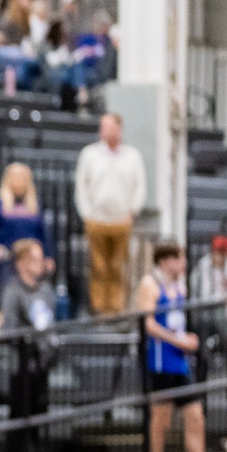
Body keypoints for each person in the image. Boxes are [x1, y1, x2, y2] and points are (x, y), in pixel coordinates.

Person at [138, 243, 205, 452]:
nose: (184, 263)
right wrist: (177, 340)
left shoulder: (180, 286)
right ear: (165, 261)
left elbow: (177, 324)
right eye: (179, 259)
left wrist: (187, 338)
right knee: (161, 421)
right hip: (160, 363)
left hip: (179, 362)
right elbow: (147, 324)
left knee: (195, 416)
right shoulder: (151, 285)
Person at [74, 112, 146, 315]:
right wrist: (86, 213)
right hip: (96, 220)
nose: (104, 131)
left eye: (109, 127)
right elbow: (81, 185)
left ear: (119, 129)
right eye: (103, 126)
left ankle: (116, 309)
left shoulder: (132, 156)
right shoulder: (89, 154)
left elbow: (139, 186)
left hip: (121, 221)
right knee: (98, 266)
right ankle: (99, 309)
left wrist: (132, 211)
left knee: (118, 265)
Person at [0, 238, 55, 452]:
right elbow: (8, 328)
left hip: (42, 363)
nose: (39, 264)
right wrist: (26, 340)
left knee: (41, 413)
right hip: (21, 365)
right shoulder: (13, 291)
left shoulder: (45, 290)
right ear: (20, 263)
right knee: (20, 416)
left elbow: (49, 324)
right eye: (33, 259)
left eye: (40, 259)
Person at [0, 161, 49, 272]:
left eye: (22, 176)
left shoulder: (35, 202)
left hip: (31, 257)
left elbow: (43, 231)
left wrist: (48, 255)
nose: (18, 180)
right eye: (15, 176)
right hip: (7, 256)